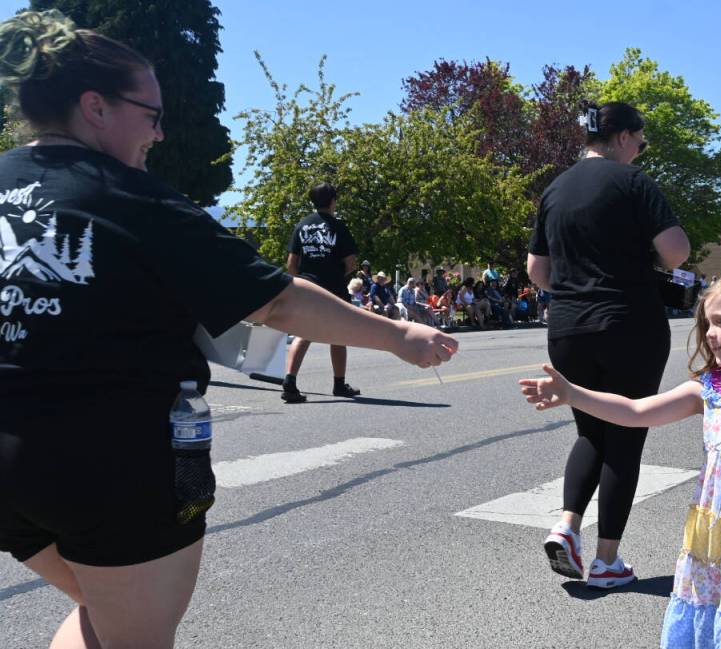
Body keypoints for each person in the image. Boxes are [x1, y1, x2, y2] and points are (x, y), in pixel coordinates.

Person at [0, 10, 457, 649]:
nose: (159, 134)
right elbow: (277, 303)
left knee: (103, 609)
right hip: (106, 456)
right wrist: (399, 335)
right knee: (135, 631)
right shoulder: (133, 198)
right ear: (95, 106)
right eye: (152, 115)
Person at [519, 273, 721, 648]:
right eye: (706, 324)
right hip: (720, 532)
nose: (708, 333)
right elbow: (635, 410)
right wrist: (572, 394)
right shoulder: (706, 392)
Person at [527, 100, 691, 587]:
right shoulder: (634, 182)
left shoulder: (554, 190)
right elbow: (676, 251)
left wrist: (578, 290)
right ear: (621, 137)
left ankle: (566, 525)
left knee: (589, 432)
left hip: (568, 328)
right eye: (639, 140)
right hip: (629, 324)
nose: (640, 149)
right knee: (625, 437)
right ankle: (606, 561)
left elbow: (537, 271)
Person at [281, 182, 360, 403]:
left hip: (307, 287)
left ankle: (290, 381)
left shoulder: (302, 225)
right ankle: (339, 384)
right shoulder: (339, 227)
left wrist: (305, 280)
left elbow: (291, 264)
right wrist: (333, 273)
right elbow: (351, 263)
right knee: (338, 335)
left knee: (303, 333)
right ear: (333, 201)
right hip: (333, 288)